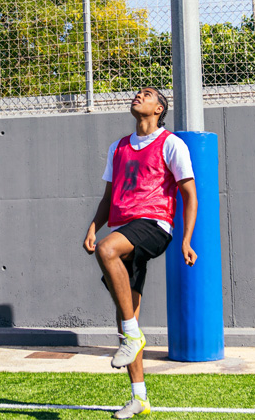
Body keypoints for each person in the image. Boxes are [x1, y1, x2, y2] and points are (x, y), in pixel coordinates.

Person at [83, 87, 198, 419]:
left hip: (154, 225)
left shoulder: (171, 144)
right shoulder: (118, 147)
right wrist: (93, 225)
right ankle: (140, 397)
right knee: (125, 310)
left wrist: (186, 239)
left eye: (146, 95)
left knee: (107, 250)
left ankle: (132, 335)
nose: (138, 96)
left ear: (159, 108)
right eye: (137, 93)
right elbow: (108, 197)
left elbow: (190, 194)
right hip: (124, 229)